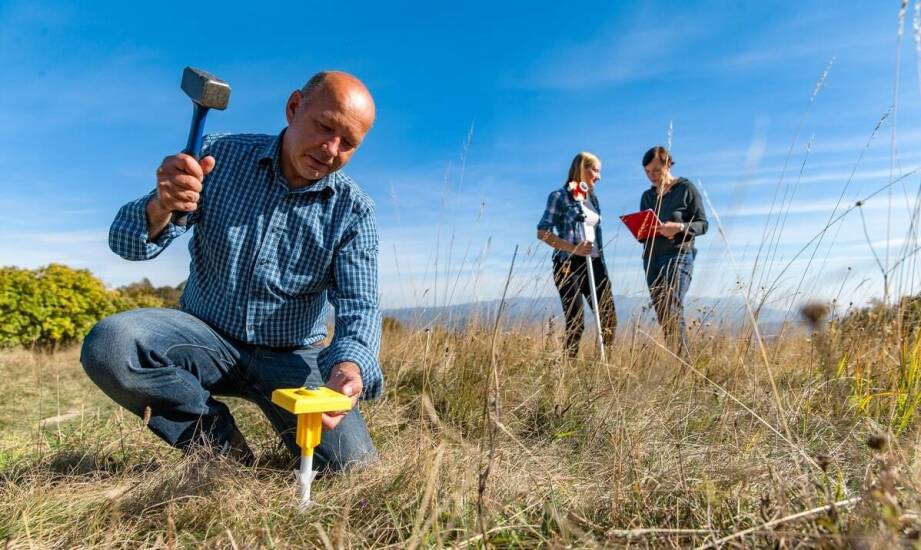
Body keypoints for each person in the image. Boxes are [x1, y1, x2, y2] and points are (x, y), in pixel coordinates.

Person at [80, 71, 382, 472]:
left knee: (353, 469)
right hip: (203, 336)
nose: (331, 149)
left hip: (293, 355)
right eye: (324, 127)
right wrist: (161, 205)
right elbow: (127, 244)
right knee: (113, 344)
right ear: (294, 108)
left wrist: (348, 368)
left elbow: (359, 305)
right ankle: (223, 449)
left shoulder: (353, 211)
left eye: (348, 144)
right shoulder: (217, 158)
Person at [537, 152, 617, 358]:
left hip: (596, 263)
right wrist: (573, 248)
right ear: (582, 168)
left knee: (608, 319)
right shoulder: (559, 196)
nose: (599, 176)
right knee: (576, 321)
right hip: (567, 264)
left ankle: (602, 369)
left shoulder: (593, 199)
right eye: (596, 170)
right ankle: (568, 372)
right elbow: (543, 232)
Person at [639, 146, 708, 359]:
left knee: (671, 306)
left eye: (657, 170)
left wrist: (678, 228)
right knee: (663, 312)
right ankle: (678, 360)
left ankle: (684, 367)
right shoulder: (647, 196)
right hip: (651, 258)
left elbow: (703, 224)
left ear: (668, 164)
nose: (652, 176)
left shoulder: (686, 189)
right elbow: (643, 230)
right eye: (648, 172)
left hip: (678, 255)